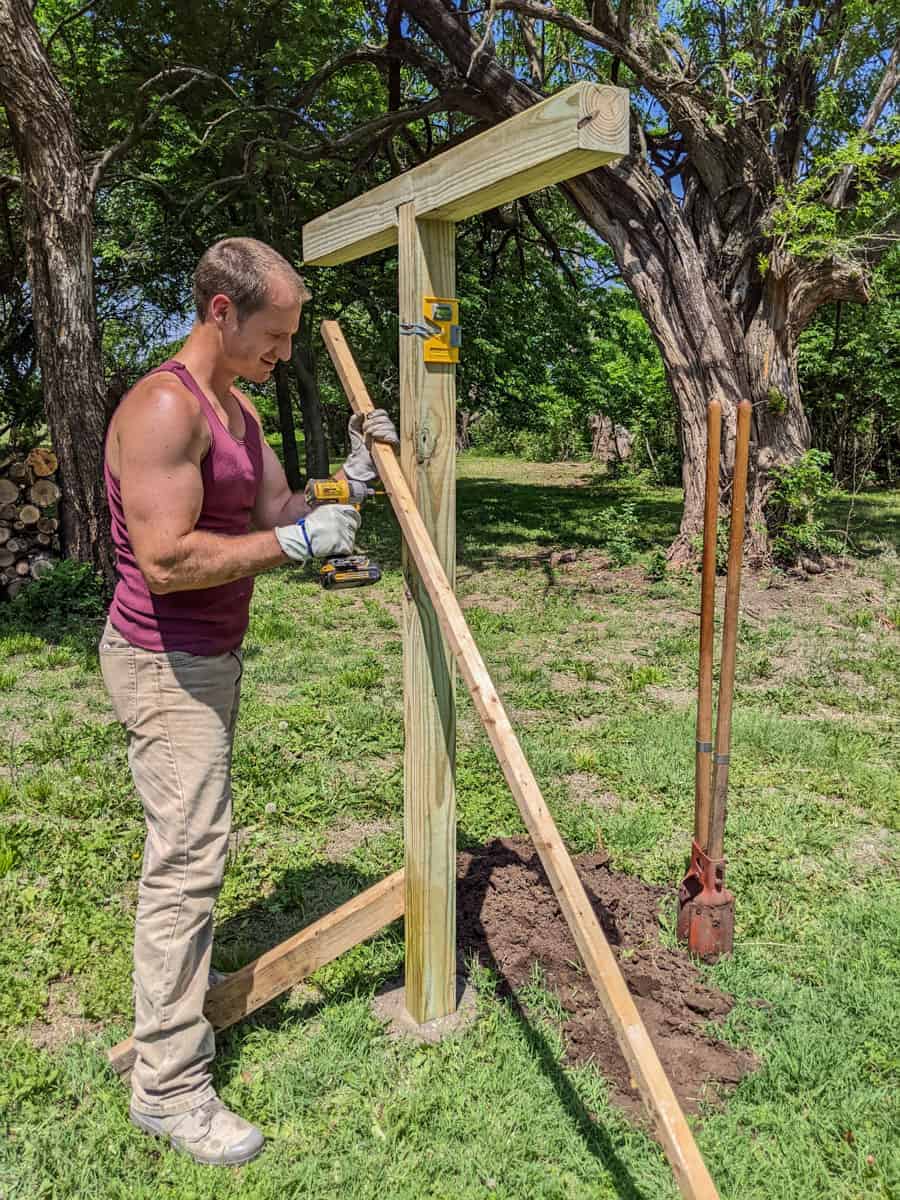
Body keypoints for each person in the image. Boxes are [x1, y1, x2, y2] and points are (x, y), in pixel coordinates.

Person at [99, 237, 398, 1166]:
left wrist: (348, 480)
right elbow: (168, 560)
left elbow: (277, 513)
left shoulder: (238, 411)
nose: (285, 353)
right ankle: (170, 1089)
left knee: (200, 848)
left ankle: (177, 1005)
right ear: (222, 313)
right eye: (275, 335)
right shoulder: (162, 409)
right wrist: (297, 547)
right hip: (164, 660)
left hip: (208, 659)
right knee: (186, 866)